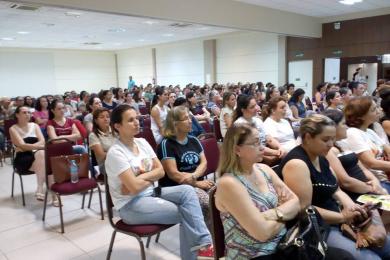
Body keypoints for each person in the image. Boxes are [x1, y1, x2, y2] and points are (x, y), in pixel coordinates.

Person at [105, 104, 213, 260]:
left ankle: (203, 242)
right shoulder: (116, 153)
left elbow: (161, 171)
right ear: (117, 126)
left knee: (188, 192)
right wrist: (148, 177)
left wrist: (139, 179)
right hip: (130, 205)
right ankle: (202, 247)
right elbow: (134, 189)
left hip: (152, 193)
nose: (137, 122)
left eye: (136, 118)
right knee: (188, 212)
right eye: (130, 120)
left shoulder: (142, 142)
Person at [279, 114, 390, 260]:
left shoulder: (320, 156)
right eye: (325, 139)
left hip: (337, 219)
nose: (331, 144)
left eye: (332, 138)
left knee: (386, 248)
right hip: (317, 227)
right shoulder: (297, 164)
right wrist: (342, 217)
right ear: (307, 137)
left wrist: (354, 209)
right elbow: (304, 209)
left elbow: (336, 190)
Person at [215, 123, 300, 259]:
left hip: (285, 244)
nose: (262, 147)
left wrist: (272, 213)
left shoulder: (264, 169)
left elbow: (296, 203)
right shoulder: (229, 183)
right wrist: (285, 213)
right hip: (254, 255)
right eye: (255, 143)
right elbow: (262, 233)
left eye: (260, 141)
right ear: (237, 150)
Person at [157, 106, 213, 227]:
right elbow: (173, 174)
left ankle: (223, 234)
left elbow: (204, 163)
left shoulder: (194, 140)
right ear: (175, 124)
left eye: (189, 117)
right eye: (185, 118)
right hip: (177, 188)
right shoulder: (166, 144)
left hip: (196, 181)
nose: (190, 121)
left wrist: (194, 176)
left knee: (223, 197)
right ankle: (209, 239)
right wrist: (197, 183)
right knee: (209, 204)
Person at [322, 109, 387, 201]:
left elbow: (363, 168)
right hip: (355, 194)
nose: (347, 128)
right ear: (333, 127)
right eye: (343, 124)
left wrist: (375, 182)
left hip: (367, 187)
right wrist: (372, 189)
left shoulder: (343, 144)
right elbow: (345, 182)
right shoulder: (329, 150)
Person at [10, 106, 59, 206]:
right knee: (45, 160)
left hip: (38, 156)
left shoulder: (34, 125)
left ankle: (40, 188)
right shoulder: (13, 129)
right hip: (23, 158)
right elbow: (22, 146)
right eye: (24, 112)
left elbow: (43, 141)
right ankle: (54, 195)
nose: (28, 114)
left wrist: (29, 147)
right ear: (17, 115)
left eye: (29, 112)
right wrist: (36, 147)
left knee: (42, 157)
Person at [343, 96, 390, 189]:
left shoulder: (369, 131)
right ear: (361, 116)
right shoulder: (353, 133)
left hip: (383, 177)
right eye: (374, 109)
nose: (379, 110)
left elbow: (388, 150)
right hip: (372, 182)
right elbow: (371, 163)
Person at [233, 95, 283, 165]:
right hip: (252, 157)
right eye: (252, 107)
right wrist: (276, 153)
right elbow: (254, 147)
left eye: (256, 105)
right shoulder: (240, 124)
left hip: (263, 153)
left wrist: (280, 147)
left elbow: (268, 138)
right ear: (243, 110)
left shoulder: (257, 120)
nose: (256, 108)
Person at [88, 107, 115, 177]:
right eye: (102, 117)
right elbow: (101, 156)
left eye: (108, 117)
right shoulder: (93, 135)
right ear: (96, 121)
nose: (106, 119)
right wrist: (119, 153)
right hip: (104, 165)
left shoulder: (116, 131)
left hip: (119, 160)